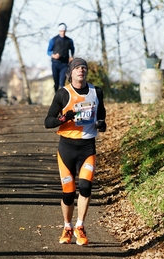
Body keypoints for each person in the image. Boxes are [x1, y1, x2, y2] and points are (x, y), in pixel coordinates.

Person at [44, 57, 107, 246]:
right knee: (69, 193)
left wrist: (101, 124)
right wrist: (63, 119)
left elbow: (101, 114)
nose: (81, 70)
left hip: (87, 147)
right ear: (70, 72)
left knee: (86, 187)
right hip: (67, 148)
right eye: (77, 68)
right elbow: (48, 121)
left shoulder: (97, 92)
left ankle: (80, 226)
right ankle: (67, 227)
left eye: (84, 68)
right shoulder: (63, 94)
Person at [47, 23, 75, 93]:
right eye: (61, 31)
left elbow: (72, 49)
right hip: (55, 64)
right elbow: (48, 51)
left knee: (61, 83)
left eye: (64, 31)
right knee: (56, 83)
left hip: (64, 64)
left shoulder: (69, 40)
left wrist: (72, 56)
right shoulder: (53, 40)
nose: (62, 32)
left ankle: (62, 99)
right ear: (59, 31)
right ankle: (56, 96)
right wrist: (53, 55)